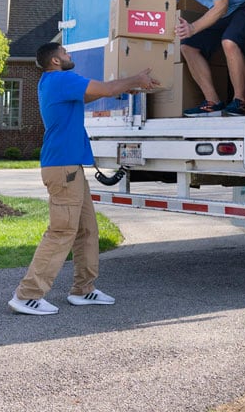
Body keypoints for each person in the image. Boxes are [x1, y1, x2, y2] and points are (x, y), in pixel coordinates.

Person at [9, 42, 159, 315]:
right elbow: (106, 88)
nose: (69, 55)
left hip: (70, 168)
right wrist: (135, 79)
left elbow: (89, 95)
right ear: (55, 61)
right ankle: (28, 294)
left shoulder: (53, 82)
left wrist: (124, 87)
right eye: (65, 53)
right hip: (62, 168)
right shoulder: (61, 78)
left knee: (87, 230)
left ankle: (83, 289)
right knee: (61, 231)